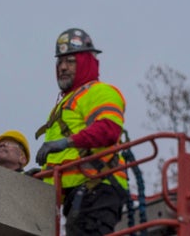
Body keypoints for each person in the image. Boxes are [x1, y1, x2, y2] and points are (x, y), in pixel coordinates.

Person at [34, 28, 128, 236]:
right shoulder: (65, 104)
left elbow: (108, 129)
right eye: (60, 62)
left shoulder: (99, 92)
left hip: (98, 187)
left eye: (71, 61)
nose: (63, 68)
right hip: (79, 194)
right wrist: (42, 177)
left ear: (86, 61)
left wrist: (65, 142)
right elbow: (66, 160)